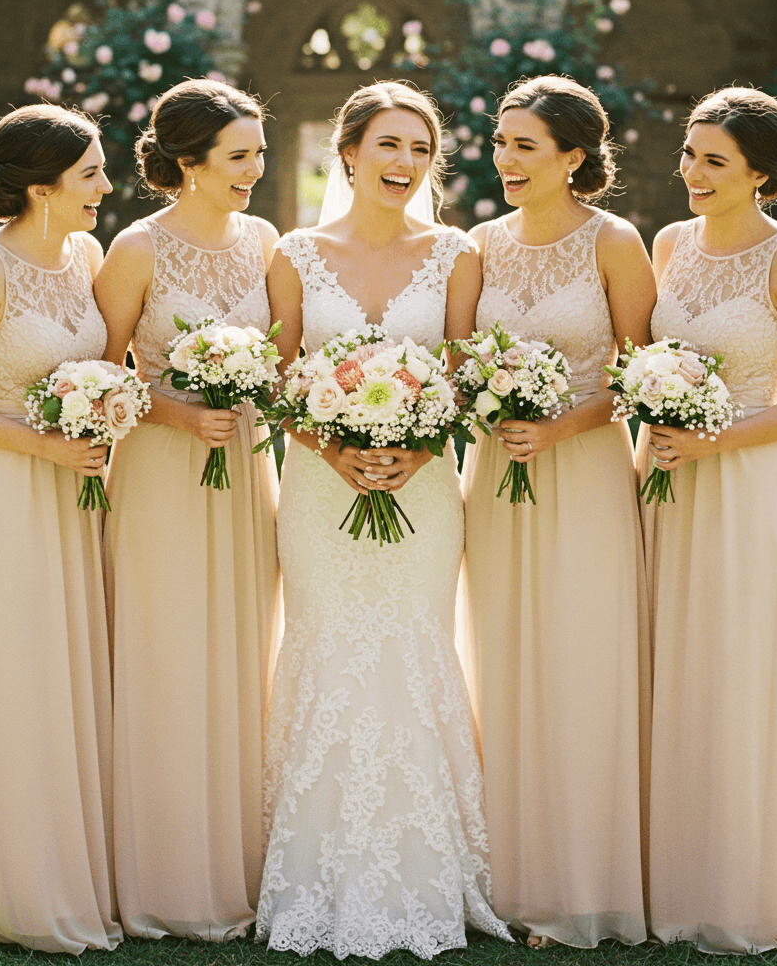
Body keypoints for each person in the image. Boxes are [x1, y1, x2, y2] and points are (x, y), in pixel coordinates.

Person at [256, 80, 511, 959]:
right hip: (321, 490)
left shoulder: (455, 254)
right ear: (350, 152)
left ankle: (427, 874)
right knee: (326, 648)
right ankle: (313, 874)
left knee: (412, 647)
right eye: (389, 145)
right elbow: (281, 381)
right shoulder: (294, 253)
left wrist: (417, 448)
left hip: (426, 485)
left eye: (420, 149)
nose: (405, 163)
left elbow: (465, 375)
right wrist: (334, 450)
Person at [0, 104, 121, 953]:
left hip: (79, 495)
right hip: (8, 487)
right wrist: (44, 443)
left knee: (76, 671)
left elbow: (111, 360)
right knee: (21, 676)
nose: (107, 188)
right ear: (41, 188)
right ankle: (23, 886)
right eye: (91, 175)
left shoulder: (87, 254)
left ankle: (82, 867)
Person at [461, 75, 654, 948]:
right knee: (499, 659)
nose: (504, 159)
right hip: (495, 477)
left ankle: (581, 881)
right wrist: (494, 410)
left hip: (585, 480)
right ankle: (503, 876)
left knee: (583, 663)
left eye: (523, 146)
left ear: (574, 157)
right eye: (500, 143)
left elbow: (645, 378)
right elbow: (459, 363)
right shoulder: (478, 246)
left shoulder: (616, 242)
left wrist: (564, 422)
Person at [94, 79, 280, 940]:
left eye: (258, 154)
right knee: (167, 653)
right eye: (239, 157)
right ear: (188, 162)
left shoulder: (267, 241)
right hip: (163, 471)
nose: (255, 170)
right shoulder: (135, 248)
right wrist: (173, 407)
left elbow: (282, 357)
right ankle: (164, 872)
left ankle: (239, 861)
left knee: (243, 650)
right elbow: (93, 378)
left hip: (243, 469)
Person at [642, 87, 777, 952]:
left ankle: (735, 888)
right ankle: (667, 878)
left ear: (762, 176)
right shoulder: (668, 244)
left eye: (713, 161)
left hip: (741, 484)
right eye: (690, 156)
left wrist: (718, 438)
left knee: (735, 671)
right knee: (669, 664)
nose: (691, 174)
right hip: (662, 478)